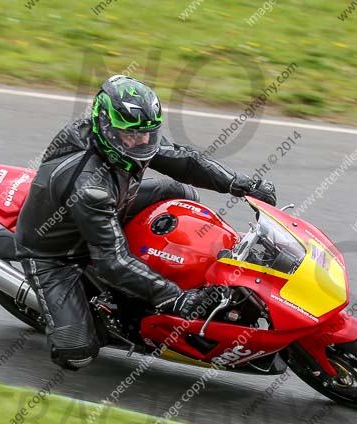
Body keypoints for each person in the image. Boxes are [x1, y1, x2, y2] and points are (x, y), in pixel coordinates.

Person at [15, 75, 277, 370]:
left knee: (182, 193)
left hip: (111, 206)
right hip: (56, 254)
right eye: (132, 136)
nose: (142, 142)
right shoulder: (91, 187)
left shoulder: (128, 135)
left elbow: (185, 161)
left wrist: (242, 185)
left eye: (148, 134)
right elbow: (111, 261)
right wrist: (176, 299)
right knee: (77, 352)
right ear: (107, 129)